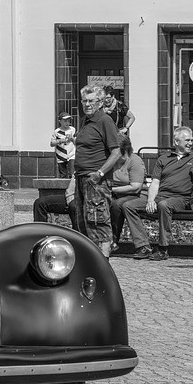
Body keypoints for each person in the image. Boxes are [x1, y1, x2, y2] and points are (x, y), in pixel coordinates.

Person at [123, 126, 193, 261]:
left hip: (181, 198)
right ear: (176, 142)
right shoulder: (164, 159)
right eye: (187, 140)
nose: (190, 143)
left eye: (191, 141)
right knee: (128, 206)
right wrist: (150, 200)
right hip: (161, 196)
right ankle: (143, 246)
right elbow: (155, 182)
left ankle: (163, 248)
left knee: (164, 205)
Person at [74, 85, 122, 257]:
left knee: (98, 220)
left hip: (96, 180)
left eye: (91, 101)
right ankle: (91, 260)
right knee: (84, 222)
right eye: (84, 101)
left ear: (100, 102)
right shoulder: (84, 120)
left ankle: (103, 261)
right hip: (81, 177)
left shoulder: (105, 121)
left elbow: (116, 152)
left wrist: (100, 173)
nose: (86, 104)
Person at [108, 136, 145, 252]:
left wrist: (112, 190)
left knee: (117, 205)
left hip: (132, 194)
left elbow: (135, 187)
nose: (125, 157)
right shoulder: (110, 160)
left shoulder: (135, 161)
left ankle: (113, 240)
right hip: (112, 192)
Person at [50, 112, 76, 178]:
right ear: (60, 121)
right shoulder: (57, 131)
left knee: (72, 173)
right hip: (61, 155)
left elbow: (77, 141)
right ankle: (63, 187)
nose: (67, 123)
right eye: (65, 121)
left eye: (68, 121)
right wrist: (60, 141)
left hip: (71, 154)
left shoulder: (72, 130)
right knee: (63, 174)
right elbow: (52, 143)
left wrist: (72, 138)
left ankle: (72, 187)